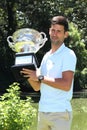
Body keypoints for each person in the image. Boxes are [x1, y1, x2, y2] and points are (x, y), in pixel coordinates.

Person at [21, 16, 77, 130]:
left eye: (59, 31)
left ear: (65, 34)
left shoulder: (68, 54)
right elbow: (37, 87)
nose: (55, 34)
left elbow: (66, 85)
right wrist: (27, 73)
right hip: (43, 112)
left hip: (60, 113)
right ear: (49, 31)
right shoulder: (46, 56)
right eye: (53, 30)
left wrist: (40, 76)